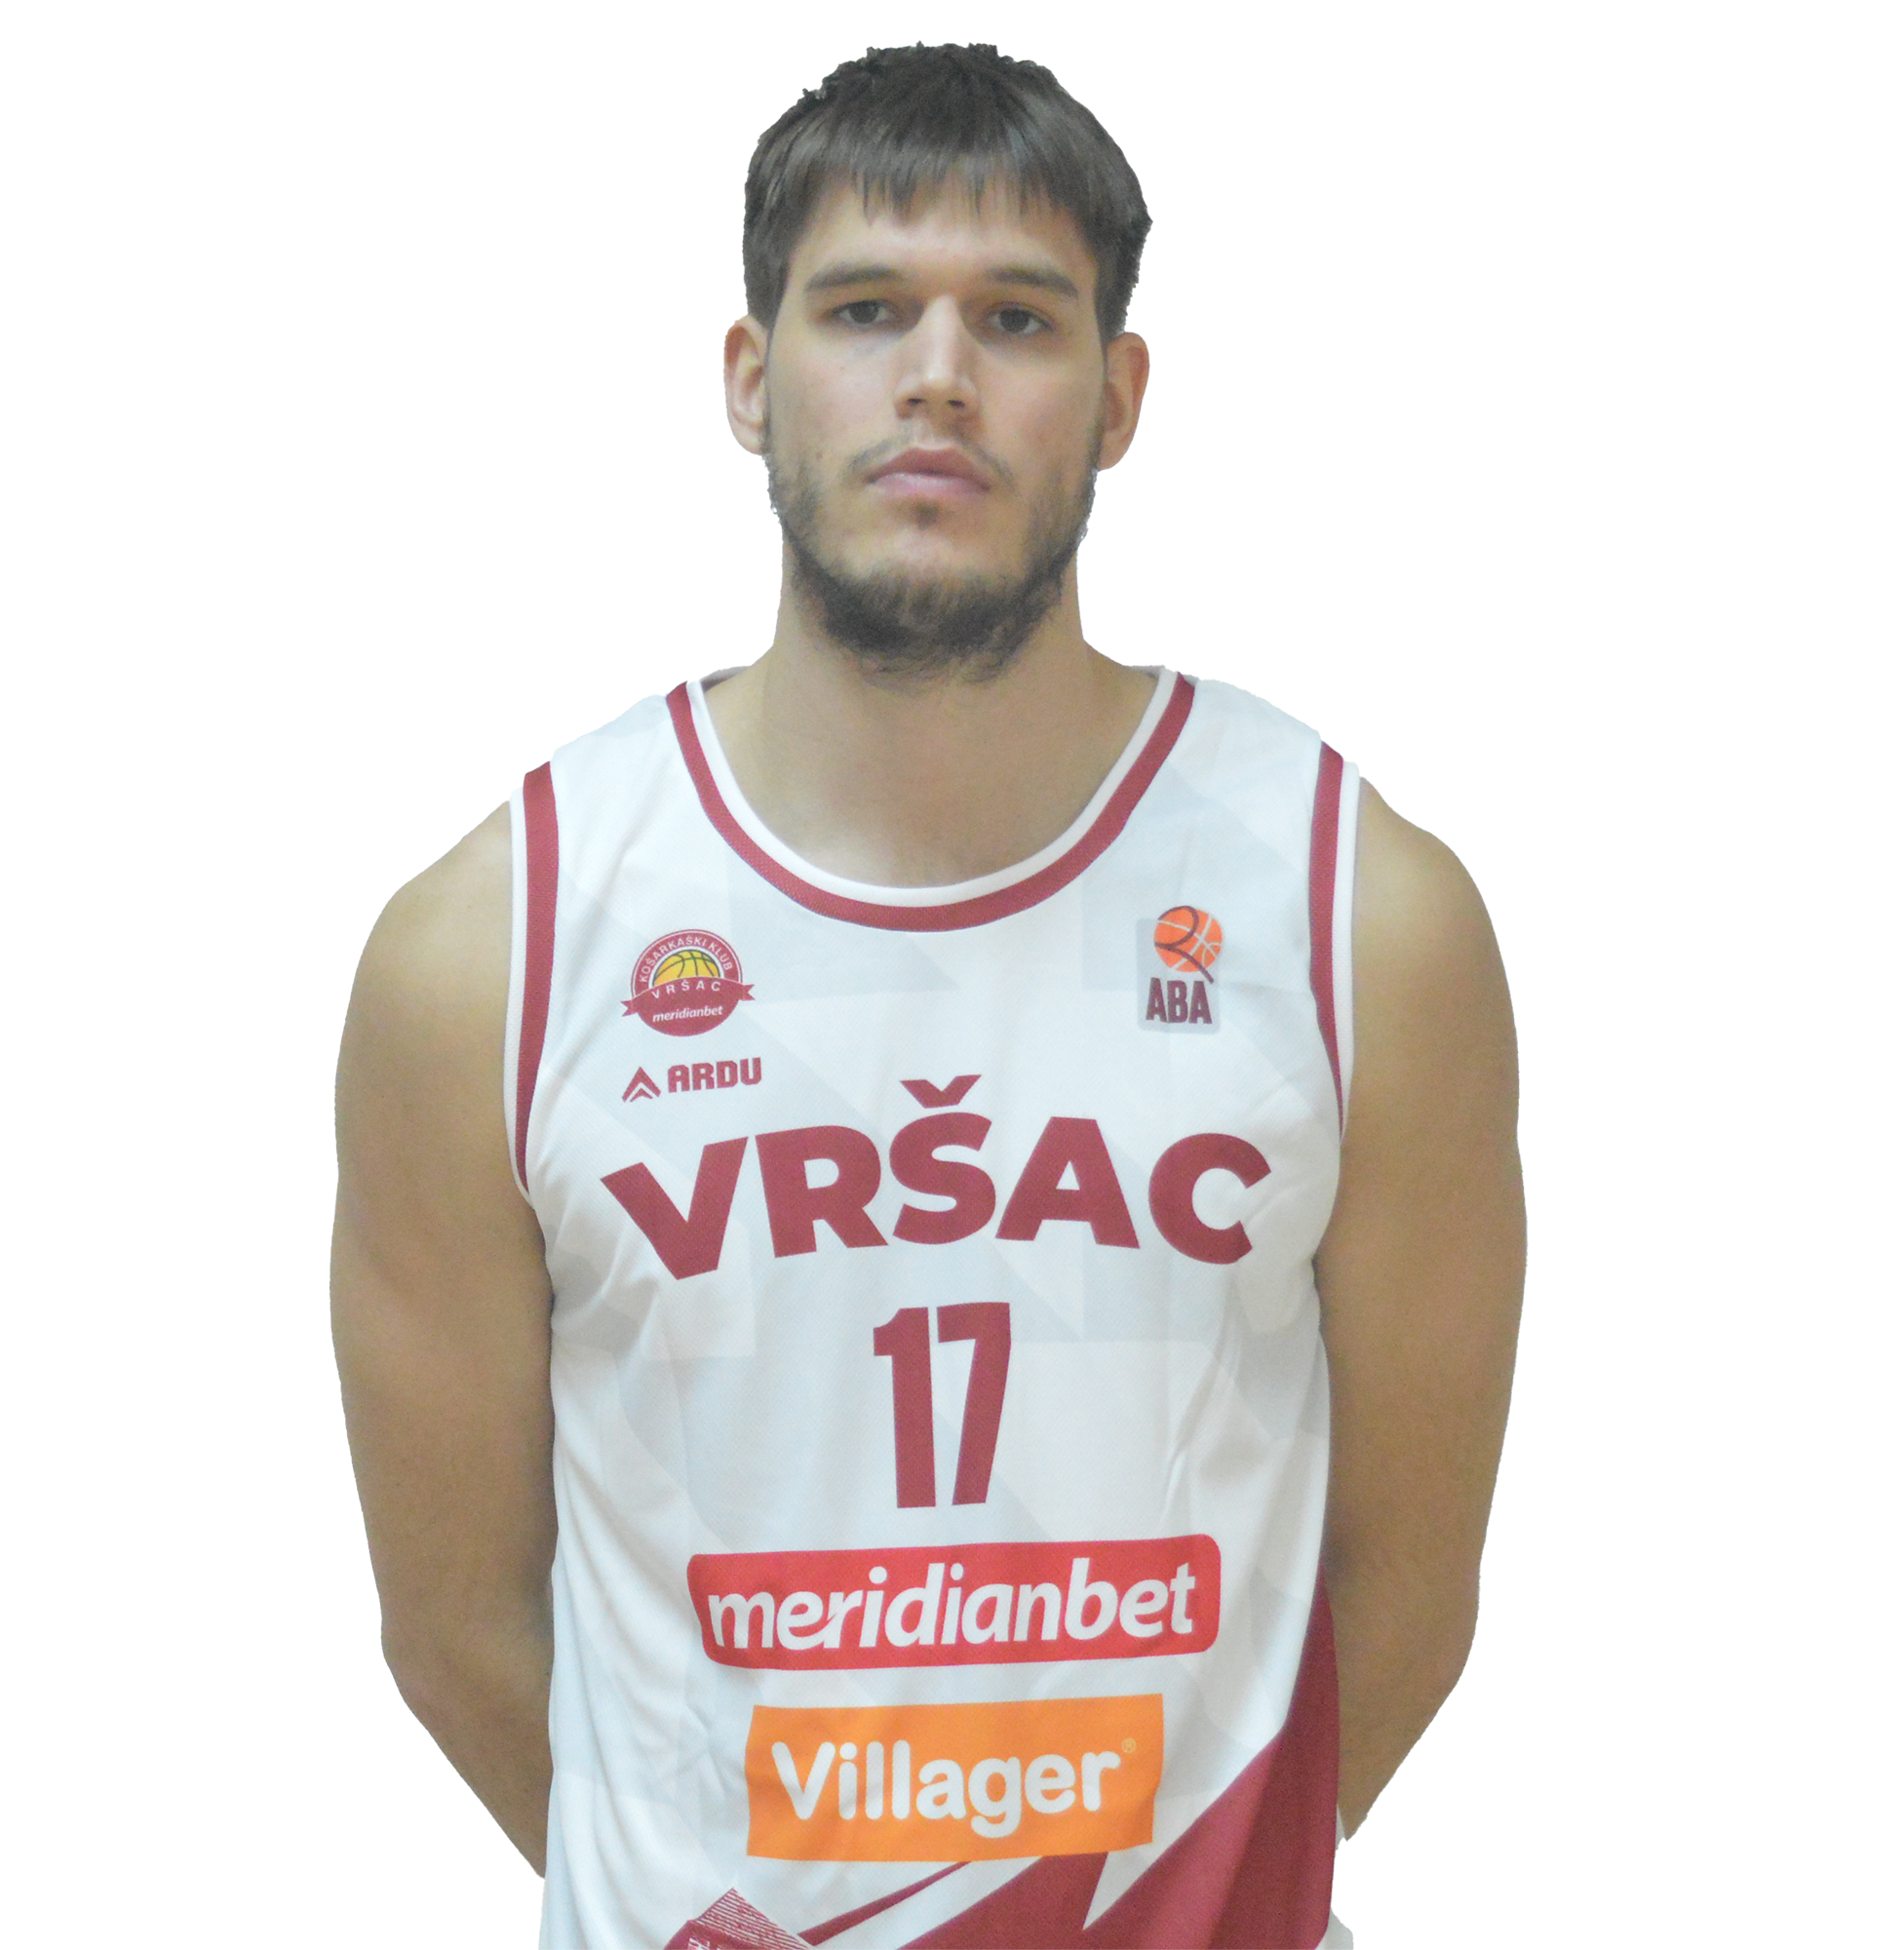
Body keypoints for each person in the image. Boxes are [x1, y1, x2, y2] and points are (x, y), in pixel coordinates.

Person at [332, 41, 1523, 1950]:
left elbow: (1407, 1596)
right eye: (867, 308)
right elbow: (457, 1626)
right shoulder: (492, 949)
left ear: (1116, 398)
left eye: (1019, 318)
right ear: (753, 376)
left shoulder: (1356, 916)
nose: (939, 374)